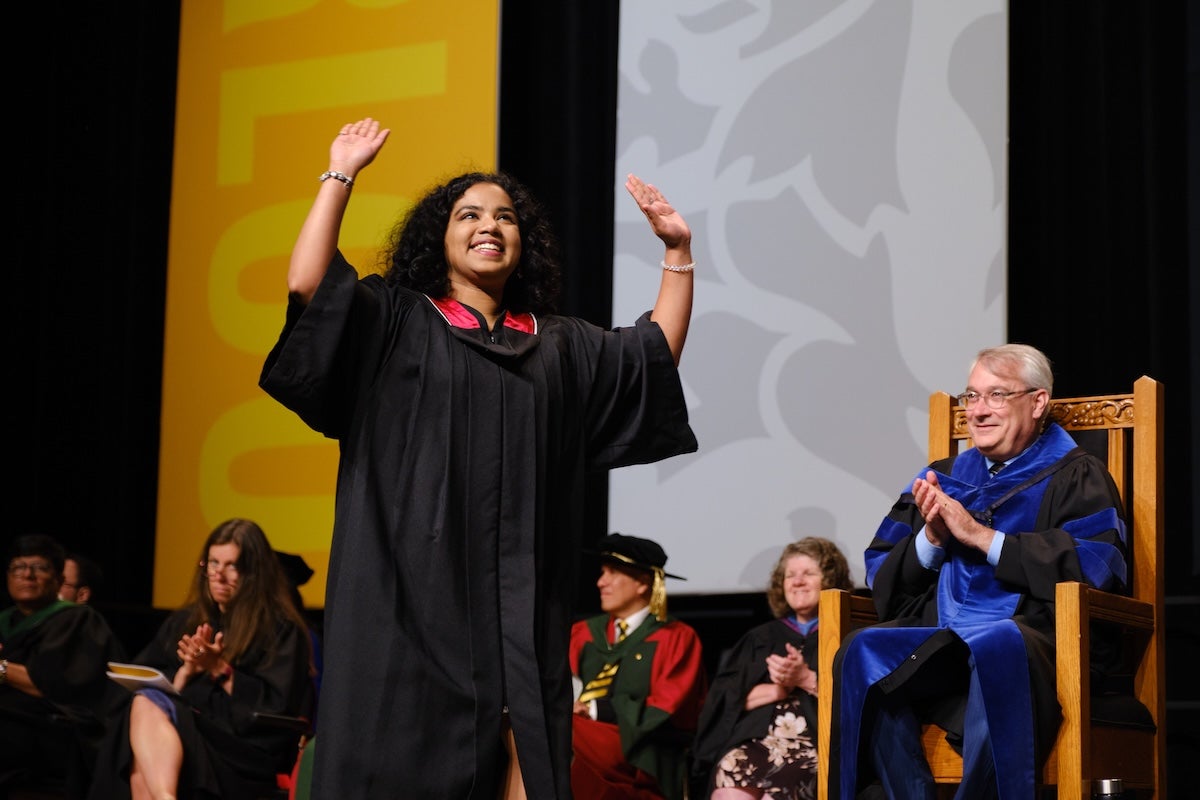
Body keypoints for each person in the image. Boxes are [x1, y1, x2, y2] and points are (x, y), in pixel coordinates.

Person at [258, 117, 697, 799]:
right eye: (469, 214)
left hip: (522, 613)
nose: (489, 225)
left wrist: (678, 252)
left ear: (524, 244)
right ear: (441, 237)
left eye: (505, 216)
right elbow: (310, 288)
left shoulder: (558, 346)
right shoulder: (396, 322)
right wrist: (339, 175)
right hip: (407, 606)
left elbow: (652, 358)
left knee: (530, 765)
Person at [829, 344, 1128, 800]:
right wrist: (931, 539)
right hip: (942, 637)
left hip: (1041, 639)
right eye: (972, 396)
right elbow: (880, 568)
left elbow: (1098, 564)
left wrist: (982, 538)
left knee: (997, 641)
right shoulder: (942, 477)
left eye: (997, 396)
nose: (979, 411)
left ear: (1038, 402)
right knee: (863, 649)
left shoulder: (1077, 474)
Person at [88, 518, 316, 800]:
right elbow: (149, 674)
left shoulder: (280, 629)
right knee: (144, 706)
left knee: (142, 732)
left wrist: (219, 668)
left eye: (232, 565)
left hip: (243, 748)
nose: (219, 575)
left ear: (255, 572)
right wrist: (186, 672)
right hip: (187, 731)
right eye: (213, 563)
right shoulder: (186, 620)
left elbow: (276, 707)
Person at [692, 537, 853, 800]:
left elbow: (860, 702)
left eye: (808, 574)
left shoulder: (847, 634)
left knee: (778, 790)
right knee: (729, 780)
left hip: (816, 746)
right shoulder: (760, 638)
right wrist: (778, 689)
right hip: (756, 743)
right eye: (790, 575)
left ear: (830, 580)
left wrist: (806, 678)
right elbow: (722, 703)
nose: (797, 581)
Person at [569, 533, 708, 800]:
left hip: (643, 747)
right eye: (601, 573)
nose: (600, 582)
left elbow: (668, 708)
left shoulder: (677, 637)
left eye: (612, 573)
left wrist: (595, 709)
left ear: (643, 583)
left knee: (556, 731)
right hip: (584, 734)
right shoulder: (582, 632)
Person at [0, 533, 128, 798]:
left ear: (58, 579)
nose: (27, 575)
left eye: (39, 568)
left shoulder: (77, 621)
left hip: (48, 733)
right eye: (18, 567)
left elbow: (54, 685)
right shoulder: (4, 620)